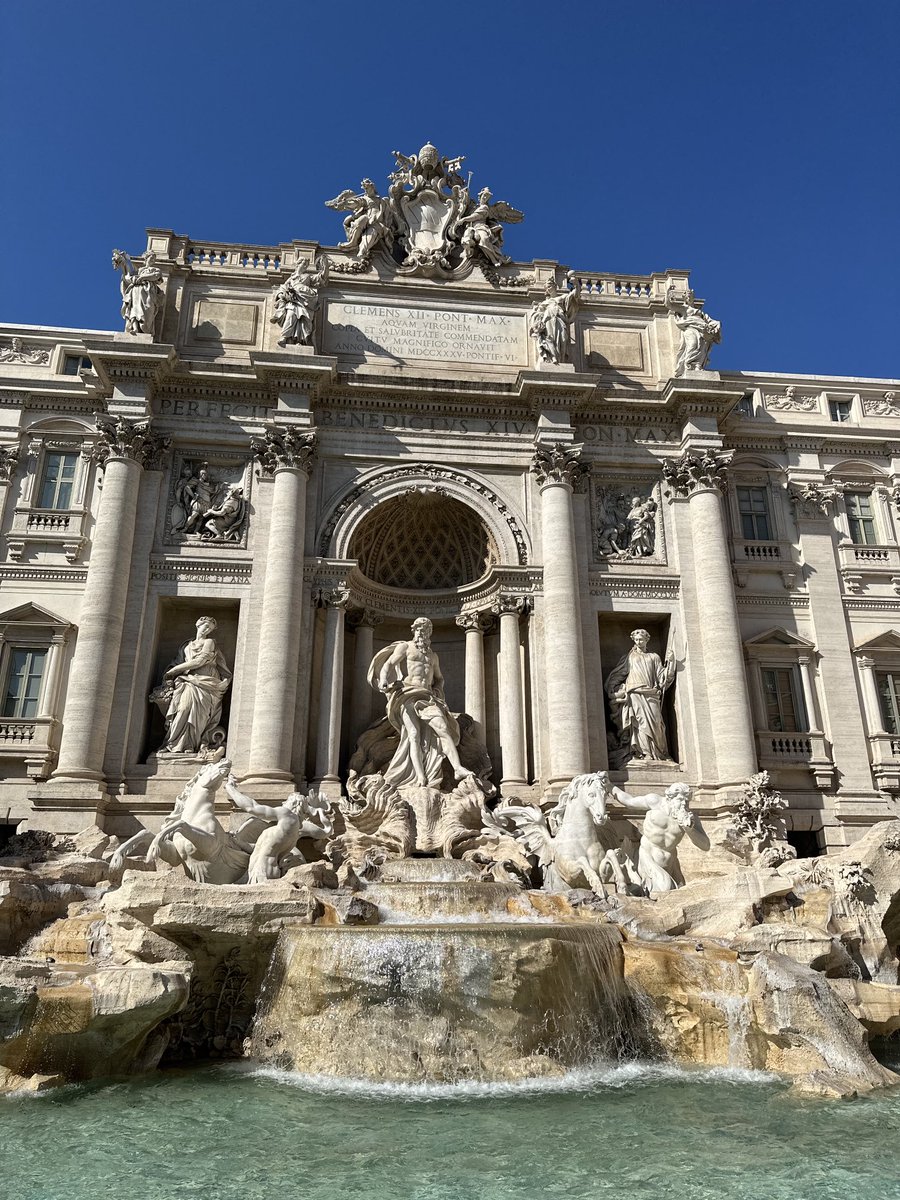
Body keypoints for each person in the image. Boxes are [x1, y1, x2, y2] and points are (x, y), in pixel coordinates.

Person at [368, 617, 473, 789]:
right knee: (413, 735)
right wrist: (383, 681)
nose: (421, 632)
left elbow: (439, 678)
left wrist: (439, 692)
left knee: (443, 729)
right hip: (407, 693)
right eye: (418, 629)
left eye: (424, 629)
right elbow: (388, 664)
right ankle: (420, 777)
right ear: (414, 631)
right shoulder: (406, 647)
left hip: (427, 696)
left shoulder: (433, 656)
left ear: (429, 633)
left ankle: (458, 768)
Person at [223, 776, 334, 884]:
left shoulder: (287, 814)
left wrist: (230, 789)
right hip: (265, 869)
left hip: (263, 870)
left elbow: (252, 807)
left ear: (293, 804)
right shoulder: (295, 830)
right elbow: (326, 832)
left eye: (287, 801)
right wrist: (239, 842)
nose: (283, 803)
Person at [608, 782, 709, 893]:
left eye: (687, 800)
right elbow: (629, 801)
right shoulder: (655, 802)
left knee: (680, 892)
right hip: (648, 855)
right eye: (680, 799)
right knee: (665, 889)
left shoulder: (691, 818)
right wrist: (609, 786)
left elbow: (705, 846)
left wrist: (689, 829)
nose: (684, 804)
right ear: (670, 797)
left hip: (671, 862)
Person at [156, 616, 232, 754]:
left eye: (210, 628)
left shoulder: (209, 642)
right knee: (183, 709)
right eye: (206, 626)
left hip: (206, 683)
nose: (207, 629)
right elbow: (178, 661)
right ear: (198, 624)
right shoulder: (186, 645)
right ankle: (175, 744)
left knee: (200, 716)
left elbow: (200, 661)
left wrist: (174, 671)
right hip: (188, 681)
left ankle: (191, 746)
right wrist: (173, 672)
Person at [605, 628, 676, 762]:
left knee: (656, 725)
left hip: (651, 694)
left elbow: (663, 678)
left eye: (641, 640)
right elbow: (618, 675)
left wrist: (671, 663)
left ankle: (657, 753)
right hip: (634, 694)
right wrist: (614, 689)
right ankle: (644, 753)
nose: (638, 642)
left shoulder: (654, 657)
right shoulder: (629, 657)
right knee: (640, 724)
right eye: (636, 640)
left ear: (646, 640)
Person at [271, 256, 328, 347]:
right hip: (293, 301)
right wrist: (282, 295)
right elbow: (282, 289)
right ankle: (284, 337)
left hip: (305, 301)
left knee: (304, 321)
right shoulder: (291, 278)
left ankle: (300, 340)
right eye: (303, 263)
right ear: (298, 264)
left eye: (307, 265)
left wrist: (325, 266)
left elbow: (321, 278)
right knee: (290, 316)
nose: (305, 266)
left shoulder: (307, 277)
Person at [529, 275, 579, 364]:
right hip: (548, 321)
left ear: (555, 286)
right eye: (547, 287)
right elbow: (536, 315)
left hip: (560, 321)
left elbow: (574, 295)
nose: (548, 289)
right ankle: (552, 357)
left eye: (550, 286)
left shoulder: (562, 297)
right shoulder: (544, 303)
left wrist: (576, 284)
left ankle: (561, 359)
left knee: (563, 340)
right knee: (550, 339)